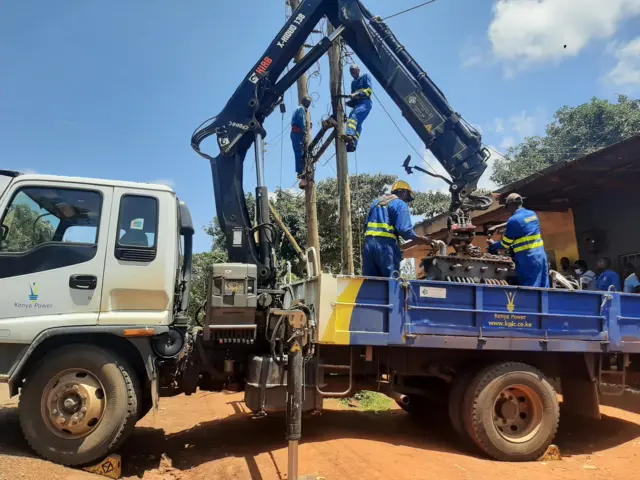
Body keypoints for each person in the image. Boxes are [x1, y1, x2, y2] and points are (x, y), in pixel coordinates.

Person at [363, 180, 432, 277]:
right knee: (392, 282)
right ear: (404, 192)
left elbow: (366, 226)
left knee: (369, 282)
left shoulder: (375, 203)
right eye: (407, 198)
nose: (406, 201)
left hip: (368, 246)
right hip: (386, 247)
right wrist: (421, 239)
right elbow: (404, 230)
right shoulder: (400, 204)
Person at [487, 193, 550, 288]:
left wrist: (493, 244)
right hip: (540, 256)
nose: (508, 210)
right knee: (544, 286)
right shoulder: (532, 214)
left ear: (511, 205)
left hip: (528, 259)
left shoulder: (513, 220)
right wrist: (497, 226)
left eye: (507, 207)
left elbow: (505, 244)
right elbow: (520, 221)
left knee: (531, 288)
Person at [344, 64, 373, 153]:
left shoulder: (365, 76)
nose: (353, 73)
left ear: (358, 70)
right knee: (358, 123)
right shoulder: (353, 83)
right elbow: (354, 99)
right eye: (351, 72)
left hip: (365, 102)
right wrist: (349, 102)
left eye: (354, 71)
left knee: (353, 116)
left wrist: (357, 94)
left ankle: (350, 134)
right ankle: (352, 143)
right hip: (358, 104)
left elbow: (369, 91)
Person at [291, 96, 312, 189]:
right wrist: (305, 131)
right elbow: (300, 121)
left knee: (302, 152)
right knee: (299, 152)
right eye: (308, 102)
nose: (309, 104)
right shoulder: (300, 109)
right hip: (297, 132)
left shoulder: (301, 109)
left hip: (297, 132)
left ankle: (302, 170)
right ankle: (300, 171)